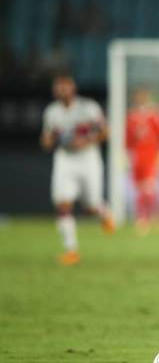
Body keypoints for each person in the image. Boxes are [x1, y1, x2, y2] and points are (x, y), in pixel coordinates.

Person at [40, 74, 114, 266]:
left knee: (90, 205)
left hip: (88, 158)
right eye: (58, 87)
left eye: (65, 87)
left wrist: (87, 140)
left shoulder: (88, 107)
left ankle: (103, 211)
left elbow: (105, 131)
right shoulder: (52, 112)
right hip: (65, 158)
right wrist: (49, 140)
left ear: (73, 88)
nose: (62, 91)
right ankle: (71, 250)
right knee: (62, 203)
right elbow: (46, 139)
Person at [125, 87, 159, 234]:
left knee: (149, 187)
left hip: (151, 154)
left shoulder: (155, 115)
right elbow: (128, 140)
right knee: (140, 188)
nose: (140, 99)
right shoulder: (131, 117)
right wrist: (126, 156)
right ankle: (142, 218)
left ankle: (154, 216)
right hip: (137, 156)